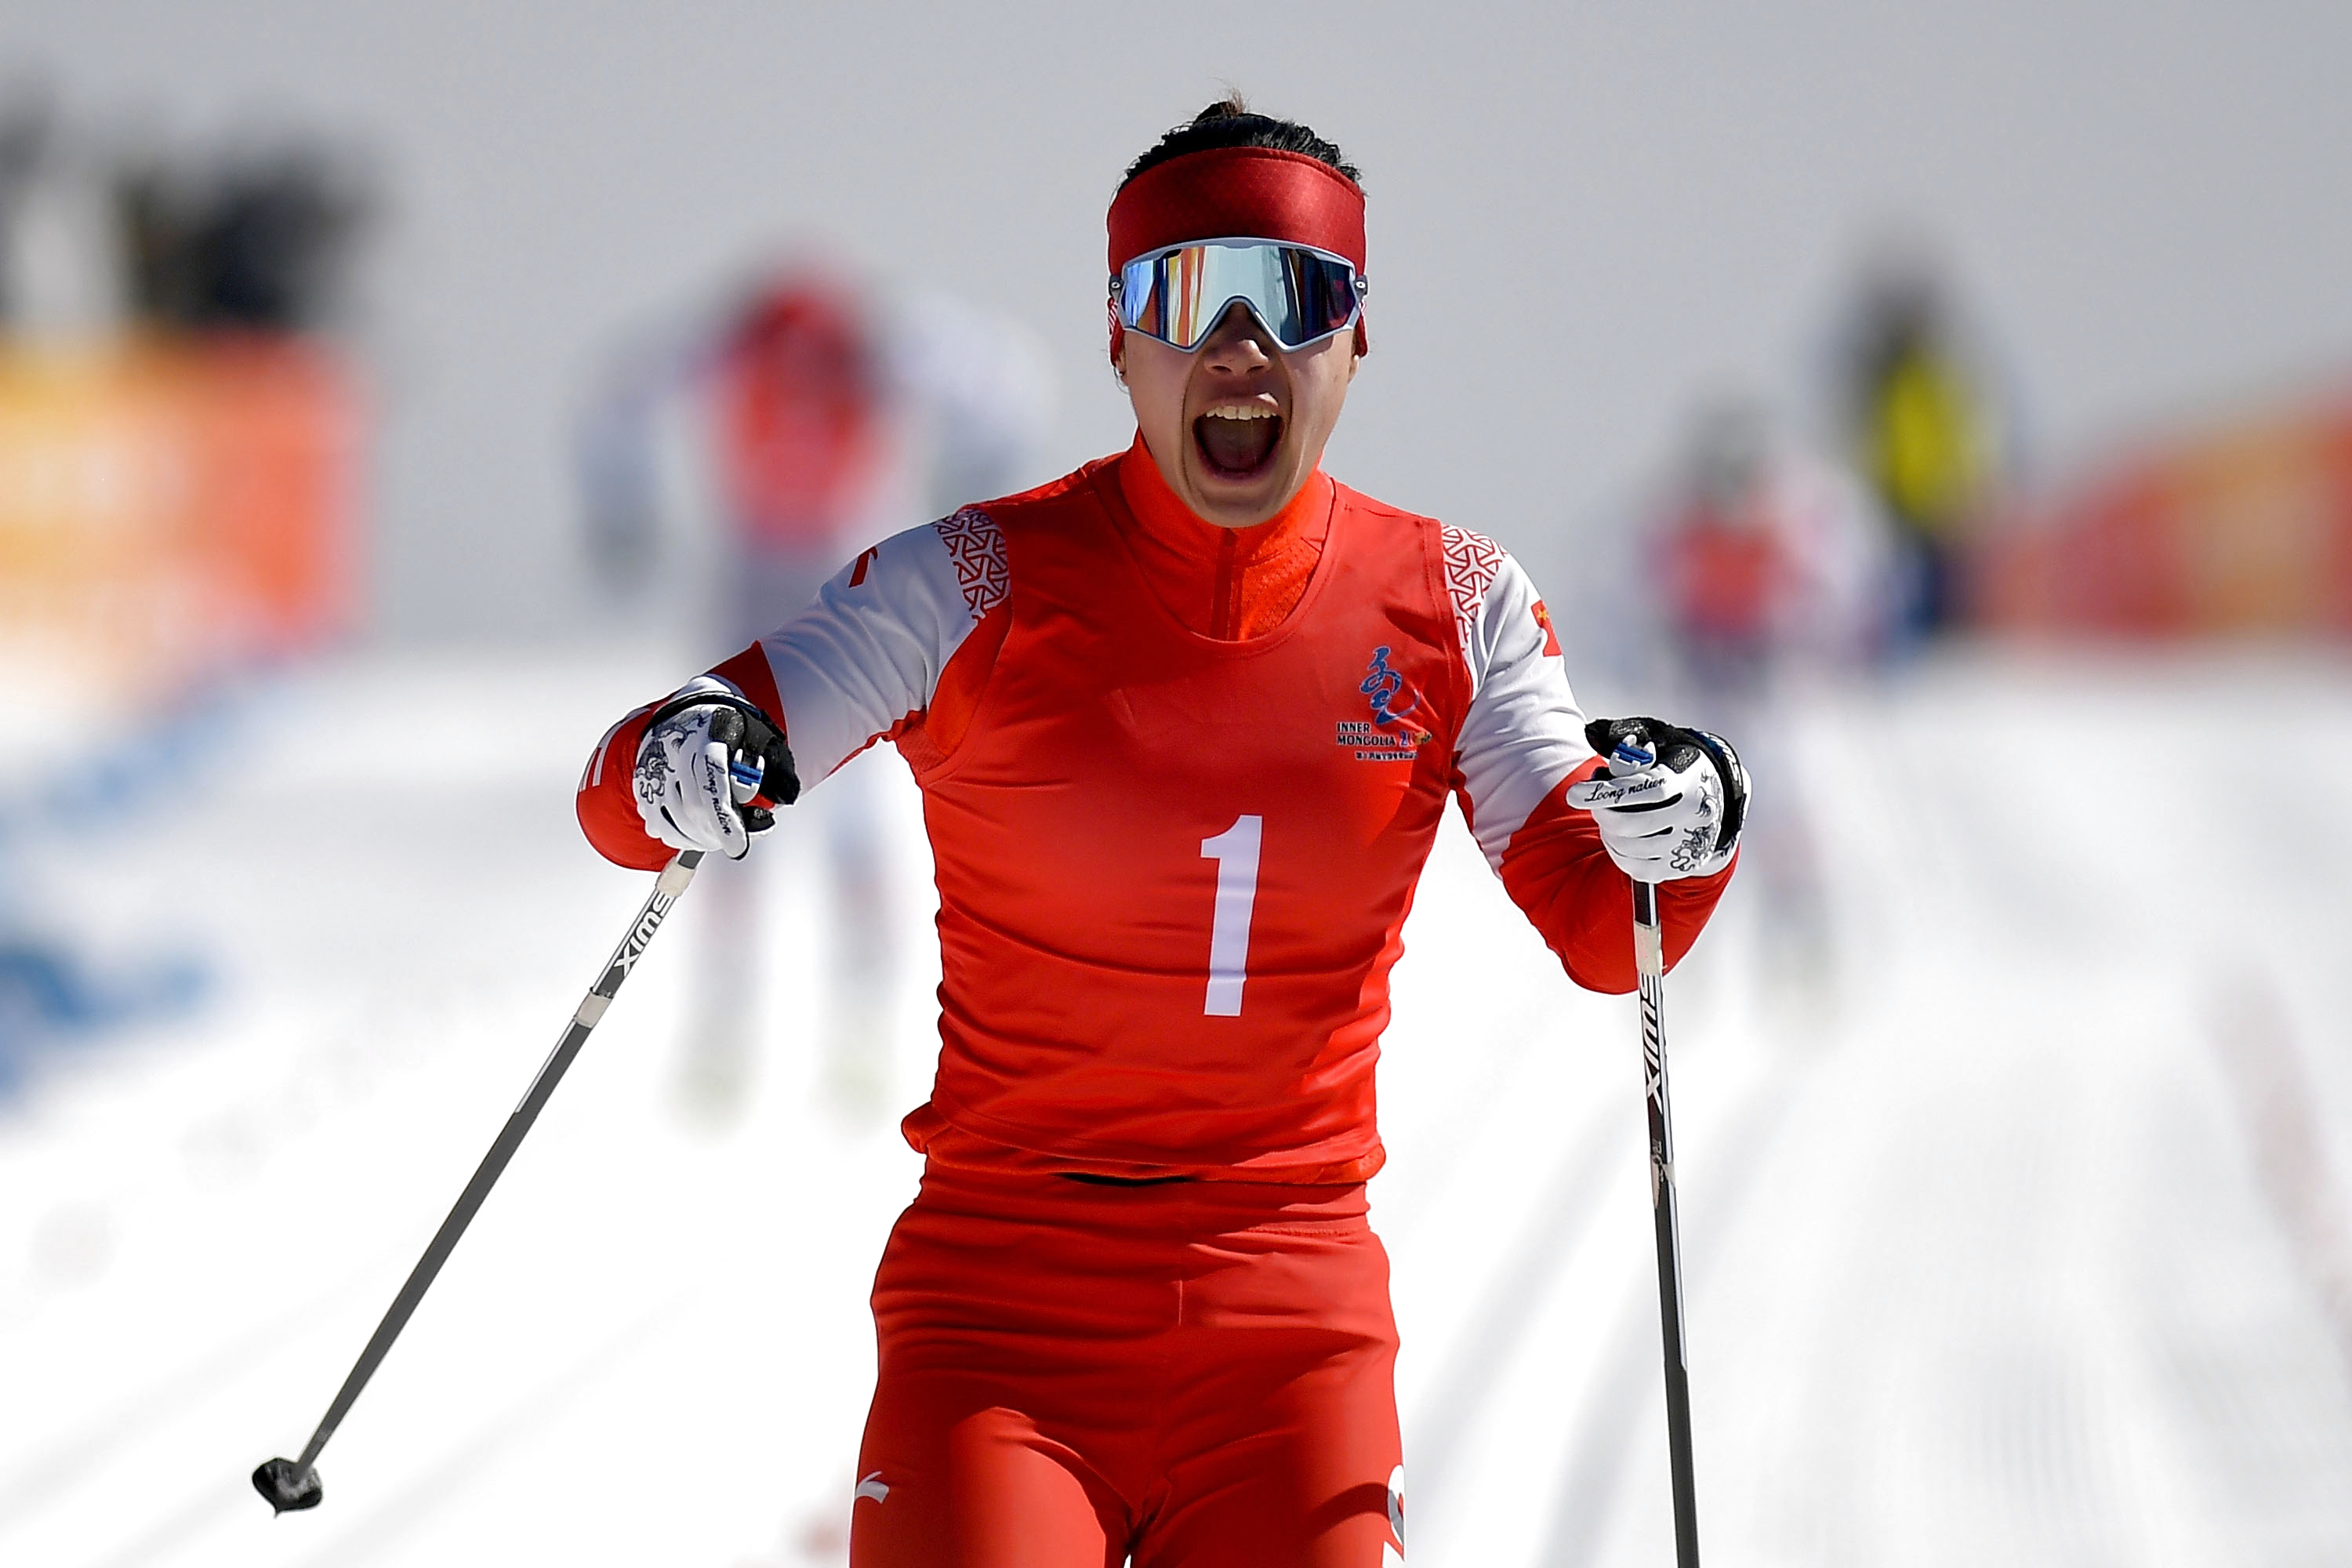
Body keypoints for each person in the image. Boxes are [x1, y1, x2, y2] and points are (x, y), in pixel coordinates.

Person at [575, 99, 1745, 1566]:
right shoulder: (973, 581)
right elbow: (648, 772)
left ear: (1358, 340)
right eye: (1185, 297)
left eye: (1297, 298)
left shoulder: (1455, 602)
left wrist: (1687, 826)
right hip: (1000, 1325)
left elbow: (1599, 917)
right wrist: (677, 762)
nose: (1240, 348)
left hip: (1289, 1330)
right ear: (1121, 339)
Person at [576, 263, 1051, 1120]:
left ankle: (857, 1027)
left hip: (839, 575)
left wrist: (979, 478)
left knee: (852, 823)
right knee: (724, 808)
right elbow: (620, 394)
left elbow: (1002, 379)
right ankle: (728, 1028)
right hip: (758, 580)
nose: (799, 375)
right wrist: (620, 505)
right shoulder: (741, 343)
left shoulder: (873, 344)